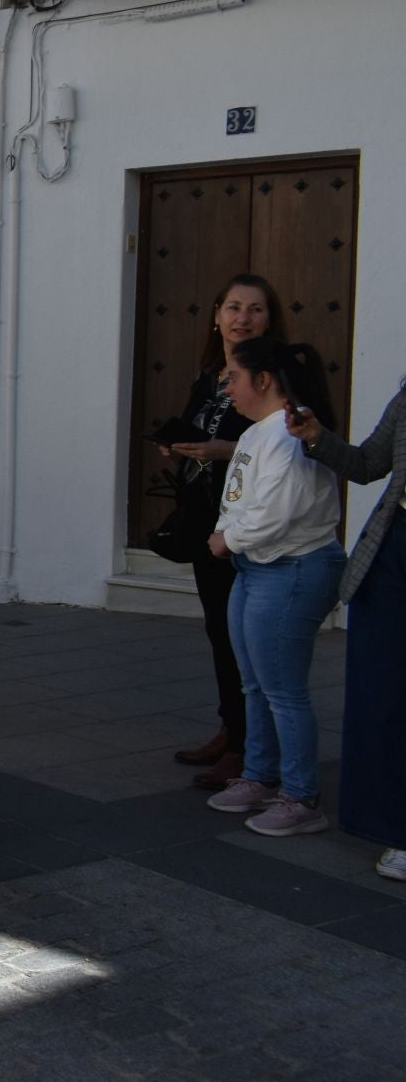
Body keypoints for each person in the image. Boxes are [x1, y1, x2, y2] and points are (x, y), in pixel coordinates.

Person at [203, 337, 344, 838]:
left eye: (233, 378)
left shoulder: (289, 432)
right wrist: (229, 536)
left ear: (263, 380)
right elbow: (241, 497)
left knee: (284, 692)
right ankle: (259, 777)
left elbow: (275, 512)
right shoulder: (256, 433)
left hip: (292, 570)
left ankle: (302, 797)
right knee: (256, 684)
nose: (228, 387)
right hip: (256, 569)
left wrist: (228, 540)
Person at [163, 276, 287, 788]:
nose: (243, 318)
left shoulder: (278, 373)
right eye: (233, 307)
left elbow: (284, 444)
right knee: (219, 630)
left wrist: (222, 451)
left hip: (248, 523)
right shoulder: (210, 375)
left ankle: (248, 747)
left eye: (255, 309)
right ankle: (231, 730)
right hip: (206, 517)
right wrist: (177, 445)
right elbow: (203, 430)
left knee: (245, 640)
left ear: (269, 320)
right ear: (216, 315)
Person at [292, 375, 406, 880]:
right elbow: (368, 464)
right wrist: (316, 436)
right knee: (381, 693)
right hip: (393, 556)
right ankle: (394, 829)